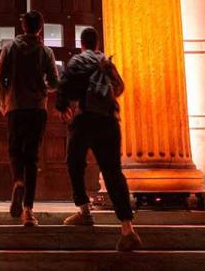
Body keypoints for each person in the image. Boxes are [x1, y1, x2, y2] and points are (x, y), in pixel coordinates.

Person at [55, 26, 142, 252]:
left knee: (75, 163)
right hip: (110, 121)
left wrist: (63, 106)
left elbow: (63, 84)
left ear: (82, 44)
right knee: (113, 172)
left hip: (85, 120)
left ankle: (84, 211)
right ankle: (127, 228)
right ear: (97, 44)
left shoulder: (78, 61)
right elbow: (120, 86)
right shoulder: (105, 61)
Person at [0, 9, 59, 225]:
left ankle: (18, 181)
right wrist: (43, 88)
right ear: (40, 28)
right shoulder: (46, 52)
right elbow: (54, 83)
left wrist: (4, 101)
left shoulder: (9, 48)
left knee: (15, 150)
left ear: (23, 26)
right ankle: (28, 211)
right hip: (37, 108)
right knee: (32, 158)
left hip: (15, 107)